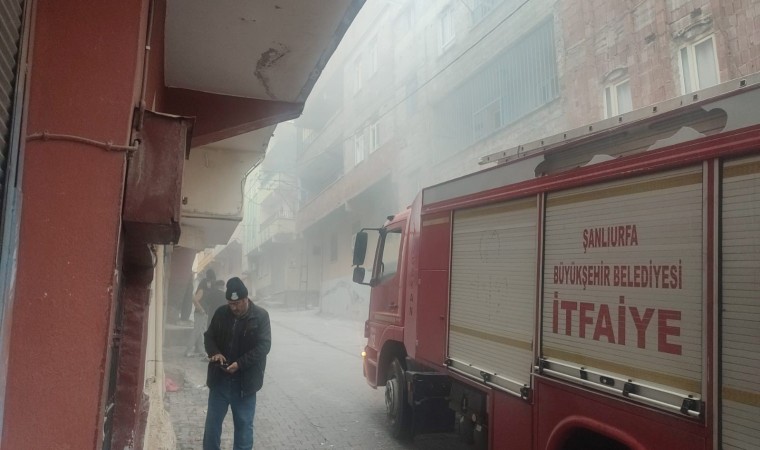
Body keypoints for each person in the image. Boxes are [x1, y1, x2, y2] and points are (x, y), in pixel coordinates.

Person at [203, 277, 271, 450]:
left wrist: (240, 364)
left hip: (245, 384)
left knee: (244, 428)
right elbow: (209, 337)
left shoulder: (261, 316)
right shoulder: (221, 313)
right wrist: (215, 352)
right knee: (212, 426)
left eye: (237, 303)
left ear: (246, 298)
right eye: (230, 304)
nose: (233, 308)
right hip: (220, 380)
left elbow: (264, 346)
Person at [185, 269, 216, 357]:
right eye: (209, 282)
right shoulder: (202, 290)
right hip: (200, 313)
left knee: (202, 332)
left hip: (204, 313)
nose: (210, 284)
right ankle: (188, 351)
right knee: (196, 332)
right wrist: (201, 309)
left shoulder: (207, 291)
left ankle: (202, 350)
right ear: (206, 282)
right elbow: (194, 299)